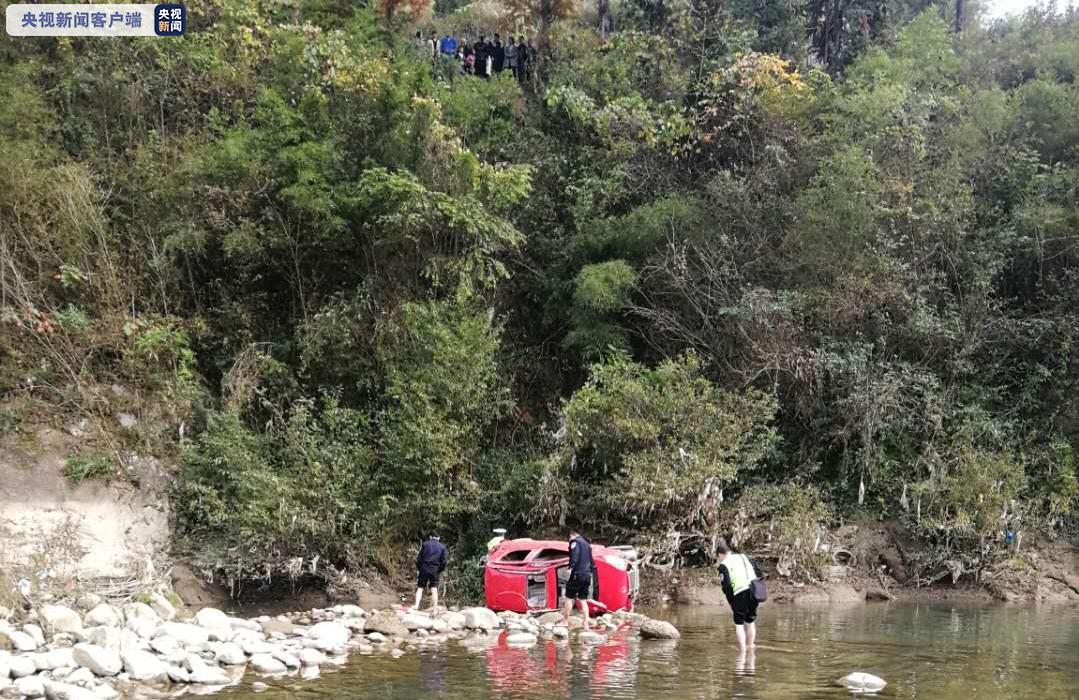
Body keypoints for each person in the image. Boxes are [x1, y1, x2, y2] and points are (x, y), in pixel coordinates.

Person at [717, 537, 762, 652]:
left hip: (740, 592)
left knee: (739, 623)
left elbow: (726, 587)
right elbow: (758, 572)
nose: (719, 560)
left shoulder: (723, 565)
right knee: (750, 621)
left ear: (720, 554)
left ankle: (742, 652)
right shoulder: (744, 557)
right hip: (755, 590)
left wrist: (732, 602)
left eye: (718, 558)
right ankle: (751, 647)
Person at [562, 531, 594, 628]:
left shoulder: (575, 542)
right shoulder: (587, 543)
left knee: (569, 597)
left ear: (571, 536)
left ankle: (565, 621)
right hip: (587, 575)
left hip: (577, 574)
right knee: (583, 600)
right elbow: (591, 560)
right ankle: (586, 623)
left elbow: (575, 556)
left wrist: (570, 568)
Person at [414, 533, 448, 612]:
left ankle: (416, 605)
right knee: (434, 589)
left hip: (424, 568)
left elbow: (419, 559)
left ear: (430, 537)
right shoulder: (442, 547)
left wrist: (420, 568)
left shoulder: (425, 544)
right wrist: (438, 570)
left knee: (420, 588)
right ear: (438, 538)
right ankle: (435, 608)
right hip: (435, 570)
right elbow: (444, 562)